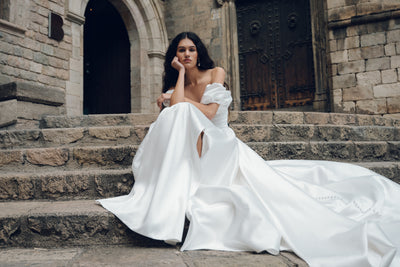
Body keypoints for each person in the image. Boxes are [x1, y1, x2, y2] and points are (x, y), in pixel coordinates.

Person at [98, 32, 400, 267]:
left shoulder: (216, 72)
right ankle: (168, 185)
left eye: (191, 49)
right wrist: (177, 77)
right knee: (173, 114)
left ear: (198, 52)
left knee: (178, 110)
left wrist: (175, 100)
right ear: (174, 56)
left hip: (220, 143)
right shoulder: (177, 80)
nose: (187, 54)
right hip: (194, 145)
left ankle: (174, 186)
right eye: (181, 50)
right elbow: (176, 110)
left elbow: (206, 112)